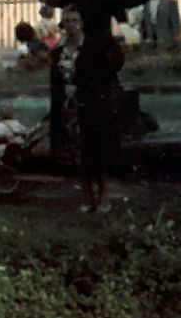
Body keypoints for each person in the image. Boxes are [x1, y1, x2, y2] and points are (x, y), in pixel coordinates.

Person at [74, 17, 124, 213]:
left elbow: (116, 66)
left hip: (98, 101)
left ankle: (99, 195)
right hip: (87, 101)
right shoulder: (84, 47)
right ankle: (91, 195)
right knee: (87, 151)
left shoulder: (105, 46)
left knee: (98, 149)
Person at [48, 8, 86, 169]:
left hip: (83, 99)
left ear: (81, 23)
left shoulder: (87, 49)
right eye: (67, 21)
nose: (71, 25)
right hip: (63, 99)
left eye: (74, 21)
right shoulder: (58, 51)